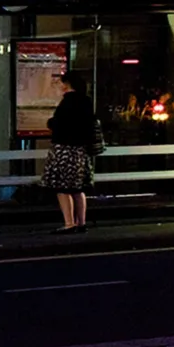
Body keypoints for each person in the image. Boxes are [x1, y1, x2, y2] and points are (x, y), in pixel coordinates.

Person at [45, 72, 101, 231]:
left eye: (61, 83)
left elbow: (58, 124)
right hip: (80, 151)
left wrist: (50, 123)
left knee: (63, 188)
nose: (59, 86)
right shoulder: (86, 101)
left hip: (64, 149)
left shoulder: (67, 102)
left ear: (67, 84)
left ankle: (69, 223)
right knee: (78, 188)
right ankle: (81, 222)